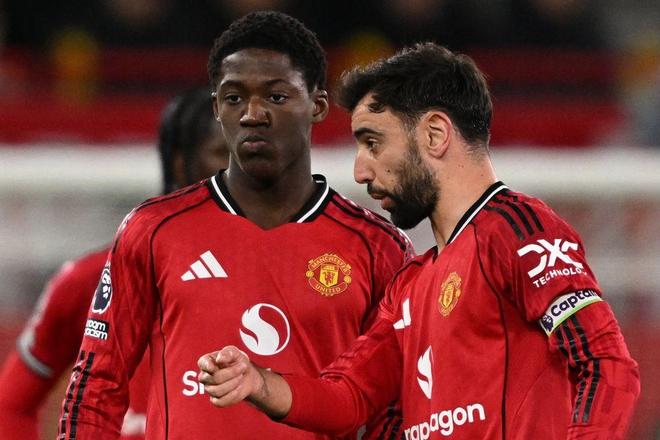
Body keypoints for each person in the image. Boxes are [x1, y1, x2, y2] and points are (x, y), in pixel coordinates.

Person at [197, 42, 642, 439]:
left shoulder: (515, 229)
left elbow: (604, 363)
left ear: (434, 134)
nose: (360, 171)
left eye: (373, 143)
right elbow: (348, 396)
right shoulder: (410, 284)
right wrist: (258, 382)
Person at [57, 11, 413, 440]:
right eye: (234, 98)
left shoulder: (379, 248)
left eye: (276, 96)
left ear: (317, 105)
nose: (252, 114)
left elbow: (395, 407)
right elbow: (96, 386)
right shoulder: (153, 230)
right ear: (216, 108)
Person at [0, 86, 228, 440]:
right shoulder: (90, 281)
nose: (244, 169)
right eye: (224, 153)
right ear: (180, 161)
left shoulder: (285, 276)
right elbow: (12, 405)